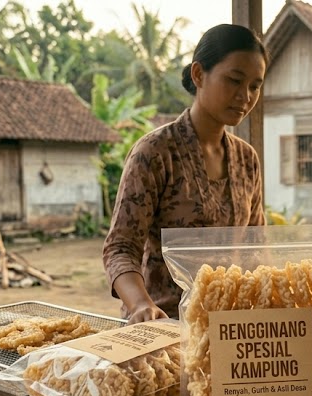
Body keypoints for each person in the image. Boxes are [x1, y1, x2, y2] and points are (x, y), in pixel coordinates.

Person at [102, 24, 268, 324]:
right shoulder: (154, 153)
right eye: (234, 80)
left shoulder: (247, 160)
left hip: (232, 331)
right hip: (162, 329)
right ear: (198, 74)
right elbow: (120, 249)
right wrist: (141, 305)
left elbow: (256, 248)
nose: (245, 96)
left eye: (255, 86)